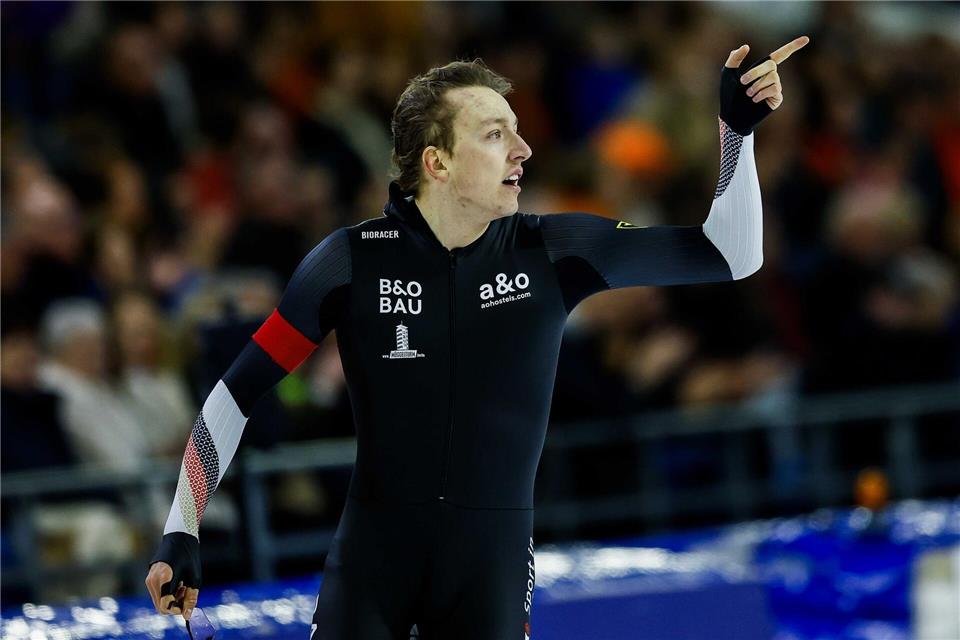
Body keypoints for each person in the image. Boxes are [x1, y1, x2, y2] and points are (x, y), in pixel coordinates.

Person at [146, 38, 809, 639]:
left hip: (489, 572)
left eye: (517, 131)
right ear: (437, 162)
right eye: (495, 135)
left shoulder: (553, 250)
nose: (523, 150)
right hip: (373, 568)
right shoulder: (349, 261)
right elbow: (235, 394)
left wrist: (736, 135)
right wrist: (182, 527)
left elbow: (730, 254)